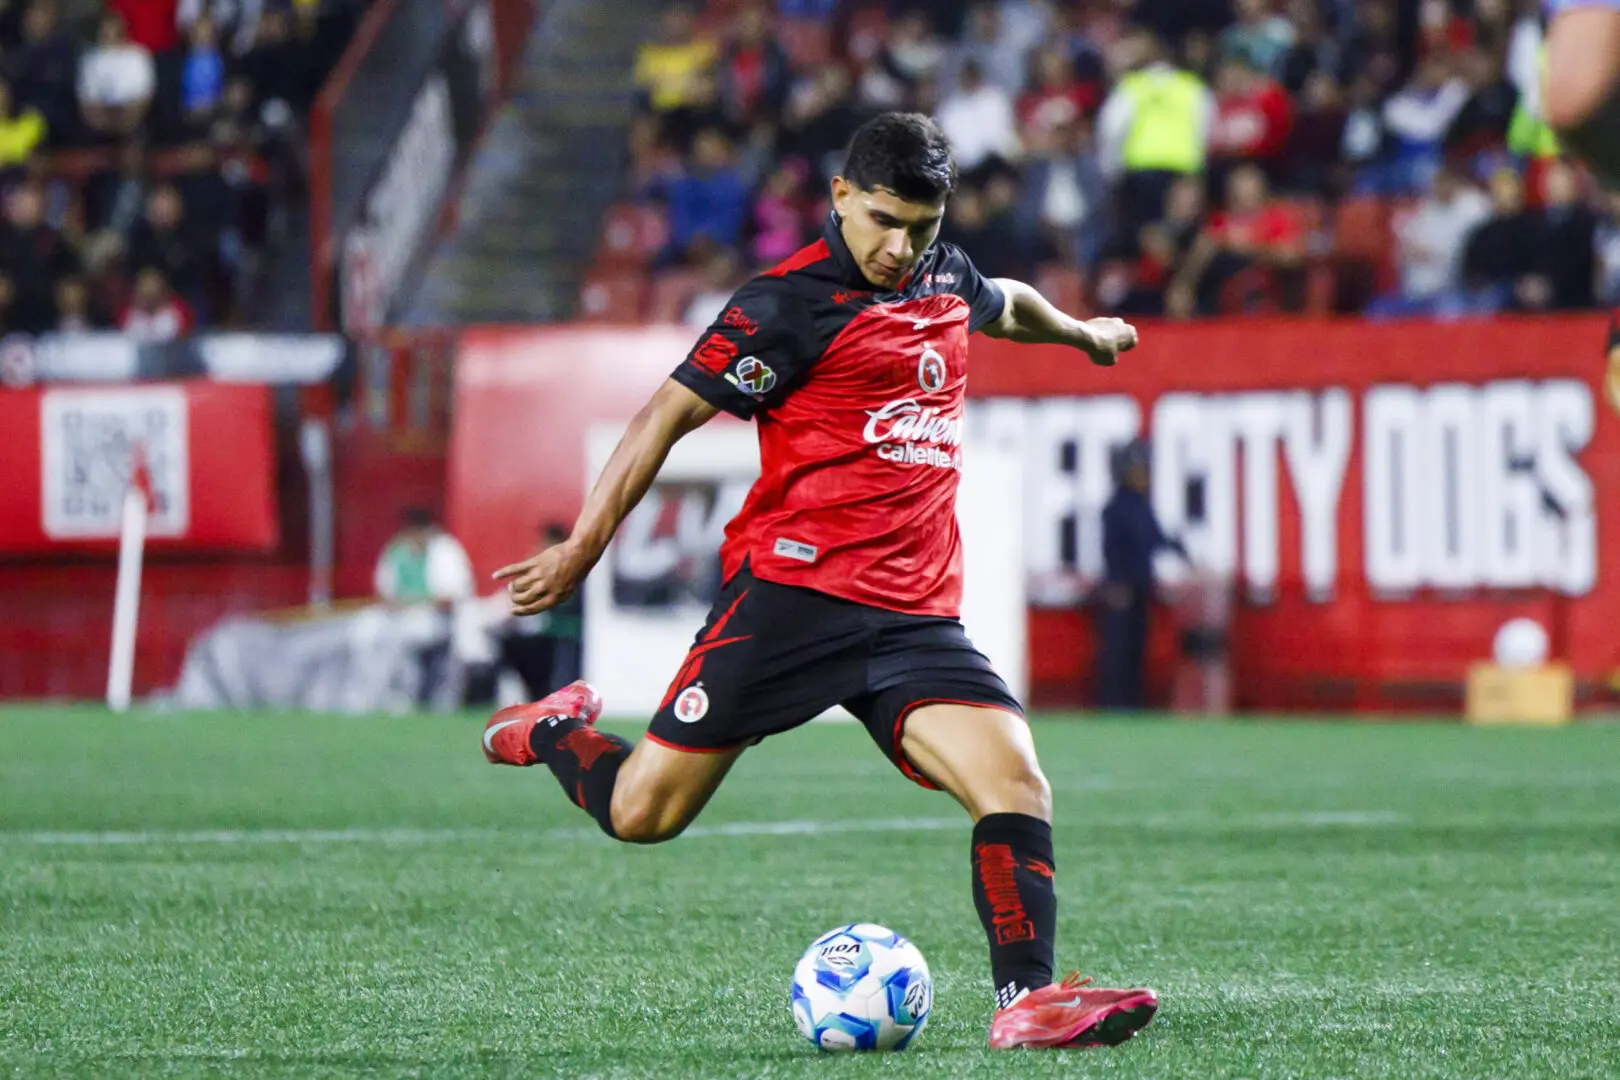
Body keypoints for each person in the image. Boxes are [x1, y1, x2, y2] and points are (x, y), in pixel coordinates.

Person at [483, 113, 1157, 1051]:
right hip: (792, 600)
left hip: (917, 617)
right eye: (884, 220)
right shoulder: (784, 307)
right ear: (839, 195)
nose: (901, 246)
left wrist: (1081, 334)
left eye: (922, 226)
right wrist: (583, 547)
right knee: (643, 813)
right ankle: (550, 729)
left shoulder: (942, 272)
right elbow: (664, 416)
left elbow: (1004, 298)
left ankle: (1025, 1001)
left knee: (1017, 783)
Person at [1094, 440, 1187, 710]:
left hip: (1141, 591)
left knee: (1136, 651)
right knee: (1117, 653)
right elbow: (1112, 551)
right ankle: (1113, 705)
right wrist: (1115, 584)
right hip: (1121, 592)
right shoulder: (1116, 508)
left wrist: (1184, 552)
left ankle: (1133, 703)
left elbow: (1155, 538)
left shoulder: (1142, 507)